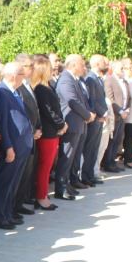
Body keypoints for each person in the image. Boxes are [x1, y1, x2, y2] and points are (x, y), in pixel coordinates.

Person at [0, 62, 34, 229]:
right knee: (4, 183)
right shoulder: (1, 92)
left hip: (21, 146)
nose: (24, 77)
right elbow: (2, 123)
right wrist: (8, 146)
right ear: (13, 76)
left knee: (13, 183)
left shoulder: (14, 92)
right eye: (22, 74)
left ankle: (8, 213)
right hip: (12, 147)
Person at [54, 54, 94, 199]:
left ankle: (66, 184)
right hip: (70, 124)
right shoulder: (66, 79)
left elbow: (81, 100)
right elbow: (72, 101)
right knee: (66, 158)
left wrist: (88, 114)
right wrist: (87, 115)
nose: (84, 67)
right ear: (73, 65)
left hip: (77, 123)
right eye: (81, 64)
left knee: (71, 158)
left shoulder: (74, 79)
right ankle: (61, 188)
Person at [33, 55, 67, 210]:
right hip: (47, 133)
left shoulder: (48, 86)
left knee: (48, 166)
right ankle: (41, 197)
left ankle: (43, 194)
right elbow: (48, 111)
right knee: (45, 167)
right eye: (49, 67)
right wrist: (61, 124)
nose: (53, 69)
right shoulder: (40, 89)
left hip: (53, 132)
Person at [14, 54, 42, 217]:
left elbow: (34, 110)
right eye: (29, 65)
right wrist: (32, 130)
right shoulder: (18, 87)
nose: (32, 68)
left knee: (26, 173)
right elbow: (20, 114)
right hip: (24, 137)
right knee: (19, 175)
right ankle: (13, 206)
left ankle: (19, 203)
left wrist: (38, 128)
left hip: (32, 136)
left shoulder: (27, 84)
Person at [82, 55, 109, 185]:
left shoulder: (97, 78)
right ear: (97, 64)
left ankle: (91, 174)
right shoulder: (91, 78)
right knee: (89, 149)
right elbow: (92, 100)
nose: (106, 64)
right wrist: (101, 114)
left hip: (99, 119)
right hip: (95, 119)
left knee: (94, 149)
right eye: (103, 62)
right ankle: (86, 176)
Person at [103, 60, 129, 172]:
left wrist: (126, 109)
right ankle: (108, 163)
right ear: (113, 68)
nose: (123, 70)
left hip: (123, 114)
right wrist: (120, 111)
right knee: (112, 141)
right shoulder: (109, 79)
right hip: (115, 115)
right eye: (121, 68)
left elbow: (127, 97)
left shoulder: (123, 81)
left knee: (118, 140)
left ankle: (113, 162)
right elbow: (110, 98)